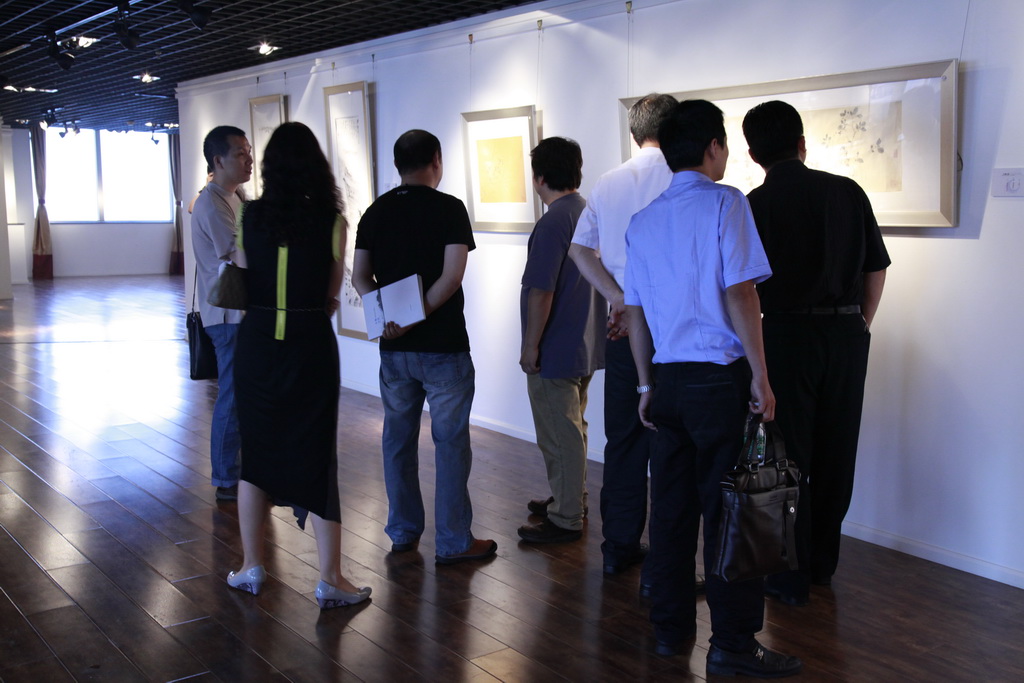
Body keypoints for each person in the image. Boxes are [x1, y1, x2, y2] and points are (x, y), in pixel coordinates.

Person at [624, 99, 801, 677]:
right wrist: (762, 375)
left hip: (669, 383)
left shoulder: (642, 221)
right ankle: (732, 645)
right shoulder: (726, 203)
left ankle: (669, 631)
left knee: (671, 513)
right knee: (733, 514)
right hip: (719, 383)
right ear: (713, 147)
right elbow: (741, 292)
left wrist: (645, 384)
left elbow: (635, 311)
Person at [742, 100, 890, 606]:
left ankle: (789, 575)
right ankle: (823, 565)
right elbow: (875, 267)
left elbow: (743, 289)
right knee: (837, 450)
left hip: (785, 335)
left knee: (787, 455)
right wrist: (860, 323)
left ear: (753, 154)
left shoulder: (754, 205)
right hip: (846, 334)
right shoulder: (847, 191)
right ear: (802, 144)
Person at [225, 122, 370, 608]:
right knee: (317, 454)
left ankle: (251, 565)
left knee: (255, 455)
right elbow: (331, 293)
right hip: (310, 344)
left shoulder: (249, 215)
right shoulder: (332, 221)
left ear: (268, 167)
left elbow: (243, 280)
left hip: (258, 344)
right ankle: (330, 577)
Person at [352, 130, 496, 565]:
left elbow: (360, 277)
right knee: (450, 444)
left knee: (397, 440)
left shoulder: (375, 212)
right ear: (436, 160)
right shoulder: (449, 209)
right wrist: (420, 314)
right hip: (443, 345)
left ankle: (402, 531)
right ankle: (453, 541)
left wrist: (389, 319)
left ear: (398, 164)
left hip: (395, 349)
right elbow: (452, 277)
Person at [568, 94, 685, 588]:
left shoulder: (609, 182)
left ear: (634, 133)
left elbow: (580, 250)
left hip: (623, 327)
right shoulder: (683, 177)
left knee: (623, 439)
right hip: (676, 329)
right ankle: (667, 561)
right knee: (672, 445)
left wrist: (617, 297)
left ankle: (618, 546)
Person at [516, 137, 605, 544]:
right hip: (585, 341)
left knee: (558, 433)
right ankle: (571, 498)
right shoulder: (588, 212)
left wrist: (530, 345)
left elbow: (541, 291)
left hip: (555, 347)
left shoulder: (553, 222)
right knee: (574, 427)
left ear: (539, 177)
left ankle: (567, 516)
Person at [191, 126, 251, 501]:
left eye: (249, 151)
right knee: (232, 394)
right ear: (218, 160)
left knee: (240, 394)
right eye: (240, 153)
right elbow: (239, 254)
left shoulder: (235, 197)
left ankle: (239, 474)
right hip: (227, 315)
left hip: (238, 312)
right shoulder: (212, 203)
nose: (249, 160)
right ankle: (227, 478)